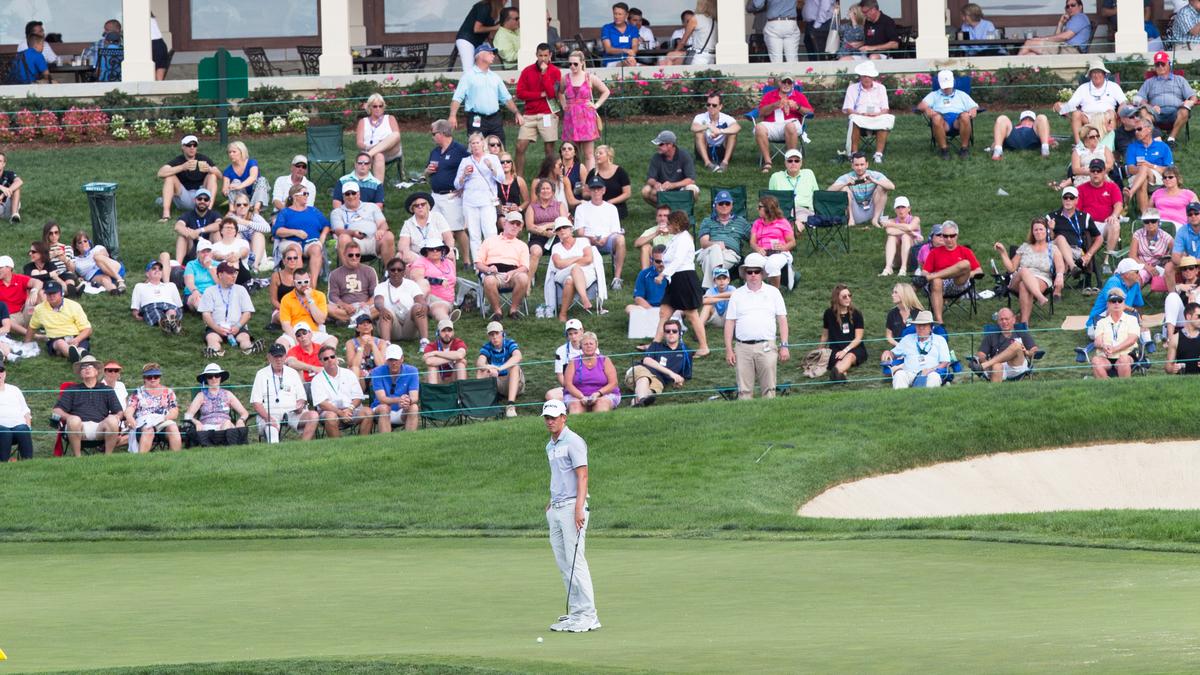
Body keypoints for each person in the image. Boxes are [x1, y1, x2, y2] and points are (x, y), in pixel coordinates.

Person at [541, 397, 601, 633]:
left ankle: (589, 614)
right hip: (556, 508)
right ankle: (576, 612)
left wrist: (578, 508)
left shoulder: (574, 441)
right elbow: (559, 477)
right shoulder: (550, 445)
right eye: (547, 417)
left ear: (564, 417)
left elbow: (583, 476)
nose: (550, 421)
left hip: (572, 508)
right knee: (564, 563)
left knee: (576, 562)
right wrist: (550, 502)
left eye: (554, 417)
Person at [723, 253, 789, 399]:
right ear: (745, 274)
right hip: (742, 347)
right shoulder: (736, 294)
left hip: (767, 345)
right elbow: (729, 323)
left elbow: (782, 320)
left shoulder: (774, 292)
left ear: (762, 273)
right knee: (744, 392)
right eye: (749, 272)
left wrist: (784, 345)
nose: (753, 275)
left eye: (756, 271)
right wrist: (729, 349)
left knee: (770, 389)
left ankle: (771, 419)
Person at [654, 209, 709, 355]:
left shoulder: (684, 238)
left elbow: (678, 260)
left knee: (691, 314)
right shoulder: (676, 237)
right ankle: (655, 345)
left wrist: (662, 275)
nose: (668, 227)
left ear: (676, 224)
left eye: (670, 224)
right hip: (675, 280)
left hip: (684, 278)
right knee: (664, 312)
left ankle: (704, 347)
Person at [995, 217, 1066, 325]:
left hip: (1041, 278)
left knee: (1024, 285)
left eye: (1041, 229)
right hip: (1017, 279)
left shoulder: (1053, 248)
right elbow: (1011, 268)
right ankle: (1039, 297)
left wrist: (1060, 275)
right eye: (1036, 230)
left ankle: (1024, 323)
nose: (1038, 232)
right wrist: (1003, 253)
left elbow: (1060, 265)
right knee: (1024, 271)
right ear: (1032, 232)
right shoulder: (1025, 247)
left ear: (1046, 230)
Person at [449, 44, 524, 145]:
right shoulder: (468, 76)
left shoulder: (495, 77)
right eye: (490, 53)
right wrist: (452, 116)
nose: (493, 55)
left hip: (495, 119)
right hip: (476, 118)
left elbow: (506, 98)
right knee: (476, 150)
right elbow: (457, 98)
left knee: (499, 149)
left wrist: (516, 112)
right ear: (480, 55)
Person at [53, 355, 124, 456]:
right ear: (80, 373)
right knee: (74, 420)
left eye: (90, 366)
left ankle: (108, 458)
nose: (86, 369)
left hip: (100, 428)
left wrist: (116, 417)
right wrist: (70, 418)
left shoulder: (107, 390)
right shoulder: (72, 389)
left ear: (96, 372)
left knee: (112, 420)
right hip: (79, 427)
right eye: (83, 367)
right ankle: (78, 459)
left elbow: (119, 411)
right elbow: (56, 410)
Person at [251, 343, 319, 443]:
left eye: (281, 356)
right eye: (275, 356)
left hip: (292, 412)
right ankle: (276, 456)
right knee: (271, 430)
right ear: (269, 357)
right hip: (270, 413)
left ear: (285, 357)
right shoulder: (261, 374)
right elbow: (256, 403)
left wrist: (300, 405)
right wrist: (268, 418)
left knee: (313, 416)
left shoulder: (292, 373)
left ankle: (301, 448)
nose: (278, 359)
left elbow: (302, 397)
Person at [454, 132, 504, 261]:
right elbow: (457, 185)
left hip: (487, 201)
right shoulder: (465, 161)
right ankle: (478, 263)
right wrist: (464, 175)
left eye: (477, 142)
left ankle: (493, 259)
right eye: (472, 143)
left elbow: (501, 178)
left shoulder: (492, 158)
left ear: (483, 143)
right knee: (474, 234)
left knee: (490, 232)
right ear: (470, 146)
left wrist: (491, 167)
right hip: (470, 202)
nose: (475, 145)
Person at [514, 43, 562, 179]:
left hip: (547, 114)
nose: (543, 58)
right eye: (540, 55)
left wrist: (544, 74)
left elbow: (552, 94)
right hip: (529, 115)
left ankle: (549, 177)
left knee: (549, 149)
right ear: (536, 55)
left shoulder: (555, 71)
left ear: (550, 55)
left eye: (546, 55)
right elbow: (520, 93)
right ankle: (519, 178)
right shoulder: (527, 71)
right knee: (520, 146)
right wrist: (539, 95)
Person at [560, 51, 609, 177]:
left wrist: (596, 105)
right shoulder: (565, 78)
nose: (572, 67)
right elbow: (559, 93)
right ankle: (574, 178)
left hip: (586, 118)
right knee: (572, 152)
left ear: (582, 63)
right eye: (570, 64)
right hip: (571, 118)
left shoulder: (589, 77)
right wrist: (564, 104)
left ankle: (590, 179)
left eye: (575, 64)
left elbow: (606, 91)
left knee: (588, 154)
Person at [476, 212, 533, 320]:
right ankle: (497, 312)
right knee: (489, 281)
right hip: (493, 273)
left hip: (513, 274)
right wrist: (488, 269)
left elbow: (525, 267)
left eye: (518, 224)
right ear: (504, 224)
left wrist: (513, 272)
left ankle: (513, 310)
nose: (515, 226)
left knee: (524, 278)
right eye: (512, 223)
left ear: (521, 228)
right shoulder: (489, 241)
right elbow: (478, 262)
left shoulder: (522, 245)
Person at [923, 220, 981, 324]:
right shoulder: (934, 253)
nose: (949, 239)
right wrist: (935, 277)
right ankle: (939, 322)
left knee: (965, 264)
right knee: (936, 281)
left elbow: (979, 271)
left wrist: (966, 274)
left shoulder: (965, 251)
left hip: (960, 283)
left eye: (952, 236)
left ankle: (938, 276)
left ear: (957, 235)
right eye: (945, 236)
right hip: (940, 285)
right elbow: (924, 273)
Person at [199, 263, 262, 358]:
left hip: (237, 327)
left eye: (234, 273)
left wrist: (237, 326)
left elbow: (247, 313)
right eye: (230, 273)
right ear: (220, 275)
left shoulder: (241, 290)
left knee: (244, 337)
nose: (234, 276)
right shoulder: (209, 291)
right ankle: (215, 351)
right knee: (211, 338)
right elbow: (206, 315)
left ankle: (249, 349)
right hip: (216, 327)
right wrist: (216, 328)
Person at [1055, 62, 1126, 145]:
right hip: (1088, 118)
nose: (1096, 75)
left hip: (1106, 116)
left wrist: (1121, 111)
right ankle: (1079, 145)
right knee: (1076, 114)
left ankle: (1111, 145)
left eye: (1099, 72)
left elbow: (1123, 102)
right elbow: (1071, 104)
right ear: (1090, 75)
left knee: (1110, 113)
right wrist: (1060, 106)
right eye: (1094, 72)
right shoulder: (1083, 88)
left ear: (1104, 74)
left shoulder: (1113, 86)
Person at [626, 317, 692, 407]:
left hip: (660, 381)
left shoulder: (686, 352)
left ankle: (636, 405)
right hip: (642, 370)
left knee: (650, 393)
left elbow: (685, 375)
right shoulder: (656, 345)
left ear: (680, 333)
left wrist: (679, 380)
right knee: (644, 379)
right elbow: (647, 360)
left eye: (674, 331)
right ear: (664, 334)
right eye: (667, 331)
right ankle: (642, 400)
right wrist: (671, 373)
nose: (671, 333)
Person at [311, 344, 374, 438]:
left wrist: (350, 409)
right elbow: (322, 403)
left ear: (336, 358)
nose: (330, 360)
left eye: (332, 357)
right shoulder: (317, 380)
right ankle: (338, 447)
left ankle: (362, 443)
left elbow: (358, 396)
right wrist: (340, 413)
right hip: (331, 412)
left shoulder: (349, 374)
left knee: (368, 412)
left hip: (351, 410)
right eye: (326, 358)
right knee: (330, 417)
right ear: (321, 362)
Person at [754, 75, 813, 172]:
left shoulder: (798, 96)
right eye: (784, 82)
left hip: (792, 125)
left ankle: (791, 160)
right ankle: (768, 162)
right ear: (779, 83)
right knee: (759, 127)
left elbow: (810, 112)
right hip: (772, 125)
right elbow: (761, 113)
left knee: (790, 126)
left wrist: (798, 107)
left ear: (792, 84)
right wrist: (774, 105)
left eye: (789, 82)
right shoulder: (769, 95)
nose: (786, 84)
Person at [575, 175, 626, 287]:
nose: (596, 191)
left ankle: (617, 278)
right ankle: (587, 277)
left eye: (599, 188)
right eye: (593, 188)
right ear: (589, 190)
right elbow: (579, 232)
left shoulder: (611, 208)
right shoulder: (581, 208)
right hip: (588, 241)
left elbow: (616, 230)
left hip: (607, 240)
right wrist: (591, 239)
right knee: (582, 240)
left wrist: (605, 238)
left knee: (621, 239)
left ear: (604, 190)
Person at [1136, 51, 1196, 146]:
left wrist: (1190, 102)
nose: (1160, 66)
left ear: (1169, 64)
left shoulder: (1180, 80)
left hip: (1175, 111)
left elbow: (1193, 96)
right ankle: (1155, 136)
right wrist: (1149, 106)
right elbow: (1139, 99)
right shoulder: (1149, 82)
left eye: (1163, 63)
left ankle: (1171, 139)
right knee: (1143, 111)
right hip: (1156, 113)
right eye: (1157, 64)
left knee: (1185, 111)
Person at [272, 184, 330, 282]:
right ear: (295, 196)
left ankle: (312, 285)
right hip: (290, 242)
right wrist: (296, 232)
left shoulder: (313, 210)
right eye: (304, 193)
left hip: (311, 242)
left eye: (308, 193)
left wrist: (323, 236)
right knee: (296, 249)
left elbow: (326, 225)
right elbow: (277, 230)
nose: (307, 196)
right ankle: (298, 284)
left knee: (316, 249)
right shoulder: (285, 212)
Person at [917, 70, 980, 159]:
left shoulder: (962, 94)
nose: (946, 88)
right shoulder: (934, 95)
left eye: (948, 86)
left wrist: (974, 110)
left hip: (958, 122)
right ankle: (944, 150)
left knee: (965, 116)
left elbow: (974, 106)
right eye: (944, 86)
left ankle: (964, 148)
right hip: (943, 122)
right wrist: (927, 109)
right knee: (936, 118)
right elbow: (920, 106)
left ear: (953, 82)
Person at [157, 135, 220, 222]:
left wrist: (210, 169)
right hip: (184, 196)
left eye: (194, 145)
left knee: (212, 175)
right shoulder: (179, 160)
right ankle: (166, 214)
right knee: (169, 177)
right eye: (189, 145)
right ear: (183, 147)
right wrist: (182, 167)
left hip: (201, 195)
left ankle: (208, 211)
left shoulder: (202, 159)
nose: (192, 148)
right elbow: (160, 173)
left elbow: (220, 175)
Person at [331, 181, 394, 267]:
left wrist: (381, 230)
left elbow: (383, 223)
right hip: (353, 242)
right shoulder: (337, 212)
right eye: (347, 194)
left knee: (388, 235)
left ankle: (390, 272)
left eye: (353, 193)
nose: (351, 196)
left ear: (359, 194)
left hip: (374, 240)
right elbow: (338, 231)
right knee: (343, 237)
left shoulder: (372, 206)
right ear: (343, 196)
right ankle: (348, 273)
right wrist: (353, 233)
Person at [696, 190, 752, 287]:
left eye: (727, 203)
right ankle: (714, 289)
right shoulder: (707, 221)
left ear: (732, 205)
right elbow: (704, 243)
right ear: (715, 205)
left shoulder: (741, 222)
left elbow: (753, 238)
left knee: (709, 259)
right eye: (721, 203)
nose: (724, 206)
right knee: (715, 249)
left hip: (730, 255)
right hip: (708, 251)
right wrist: (716, 244)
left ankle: (709, 289)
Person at [123, 363, 183, 453]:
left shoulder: (168, 392)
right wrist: (129, 417)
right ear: (144, 378)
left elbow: (174, 411)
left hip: (163, 420)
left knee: (173, 428)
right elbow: (130, 409)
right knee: (148, 430)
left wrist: (164, 418)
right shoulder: (138, 392)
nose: (153, 379)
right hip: (144, 421)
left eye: (156, 376)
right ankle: (141, 461)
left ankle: (177, 459)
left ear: (160, 377)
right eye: (149, 377)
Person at [969, 308, 1040, 383]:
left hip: (1016, 366)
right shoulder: (991, 336)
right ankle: (994, 392)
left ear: (1013, 320)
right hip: (997, 366)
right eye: (1001, 319)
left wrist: (1028, 353)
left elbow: (1034, 349)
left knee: (1016, 345)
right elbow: (981, 354)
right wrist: (984, 361)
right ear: (998, 321)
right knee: (996, 366)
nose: (1004, 321)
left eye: (1006, 319)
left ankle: (983, 366)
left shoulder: (1022, 333)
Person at [1047, 185, 1103, 278]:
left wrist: (1088, 255)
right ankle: (1073, 267)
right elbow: (1048, 239)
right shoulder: (1052, 217)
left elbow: (1099, 238)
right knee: (1060, 239)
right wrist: (1051, 229)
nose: (1068, 200)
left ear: (1076, 200)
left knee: (1062, 257)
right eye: (1065, 197)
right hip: (1054, 248)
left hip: (1075, 251)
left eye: (1071, 198)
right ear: (1062, 199)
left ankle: (1056, 288)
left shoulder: (1084, 217)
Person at [841, 61, 893, 162]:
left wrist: (876, 114)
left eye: (869, 76)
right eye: (864, 76)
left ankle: (878, 155)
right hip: (860, 117)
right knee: (854, 120)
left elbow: (885, 109)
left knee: (886, 119)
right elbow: (849, 109)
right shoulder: (852, 89)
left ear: (873, 77)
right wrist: (861, 114)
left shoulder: (881, 88)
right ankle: (854, 154)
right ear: (860, 76)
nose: (867, 78)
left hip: (877, 117)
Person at [550, 218, 599, 320]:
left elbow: (588, 259)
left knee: (570, 280)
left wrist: (567, 262)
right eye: (559, 229)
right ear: (556, 233)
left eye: (564, 227)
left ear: (571, 229)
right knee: (575, 268)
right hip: (562, 274)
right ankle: (584, 298)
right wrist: (576, 258)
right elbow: (558, 264)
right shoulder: (556, 247)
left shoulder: (583, 241)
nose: (562, 230)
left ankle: (563, 314)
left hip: (586, 274)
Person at [829, 152, 895, 227]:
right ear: (852, 166)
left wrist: (874, 181)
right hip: (855, 211)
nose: (859, 168)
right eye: (856, 165)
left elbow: (892, 186)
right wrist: (846, 184)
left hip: (873, 209)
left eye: (862, 164)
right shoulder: (847, 177)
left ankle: (875, 220)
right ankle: (851, 220)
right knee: (844, 189)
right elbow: (829, 191)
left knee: (882, 187)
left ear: (867, 164)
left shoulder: (874, 175)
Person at [30, 280, 91, 361]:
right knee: (60, 343)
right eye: (48, 294)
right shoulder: (39, 309)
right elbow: (32, 327)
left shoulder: (74, 305)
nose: (51, 296)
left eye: (54, 293)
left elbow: (88, 329)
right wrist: (27, 343)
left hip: (76, 336)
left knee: (80, 347)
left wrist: (77, 339)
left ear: (61, 293)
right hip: (55, 339)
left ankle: (78, 354)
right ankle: (79, 357)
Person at [1076, 158, 1125, 257]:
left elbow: (1118, 205)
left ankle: (1107, 261)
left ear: (1104, 172)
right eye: (1093, 171)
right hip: (1088, 226)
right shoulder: (1080, 189)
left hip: (1105, 224)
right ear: (1089, 172)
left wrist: (1114, 215)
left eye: (1098, 171)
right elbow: (1076, 210)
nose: (1095, 173)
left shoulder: (1112, 187)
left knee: (1115, 224)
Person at [277, 270, 337, 351]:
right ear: (293, 282)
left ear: (310, 280)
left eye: (306, 281)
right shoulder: (286, 298)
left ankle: (325, 361)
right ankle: (290, 362)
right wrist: (297, 340)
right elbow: (285, 325)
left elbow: (320, 320)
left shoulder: (319, 295)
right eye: (299, 282)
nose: (303, 285)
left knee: (332, 340)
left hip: (313, 332)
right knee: (281, 342)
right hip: (294, 333)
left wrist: (310, 299)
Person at [375, 258, 430, 344]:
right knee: (385, 311)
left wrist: (424, 307)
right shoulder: (381, 286)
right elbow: (378, 301)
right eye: (393, 270)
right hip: (392, 327)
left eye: (399, 270)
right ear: (388, 271)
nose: (396, 272)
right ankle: (386, 344)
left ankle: (424, 342)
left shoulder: (412, 284)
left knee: (418, 307)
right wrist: (381, 308)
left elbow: (420, 300)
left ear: (404, 272)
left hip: (409, 327)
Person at [890, 310, 950, 389]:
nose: (921, 328)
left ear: (931, 327)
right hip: (910, 373)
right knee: (899, 375)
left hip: (931, 372)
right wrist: (888, 353)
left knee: (934, 376)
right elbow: (893, 353)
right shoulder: (907, 339)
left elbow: (945, 362)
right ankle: (901, 400)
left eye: (924, 325)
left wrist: (931, 370)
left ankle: (929, 400)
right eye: (918, 325)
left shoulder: (940, 340)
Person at [1125, 118, 1175, 213]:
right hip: (1137, 178)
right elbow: (1130, 169)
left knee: (1144, 167)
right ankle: (1145, 214)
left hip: (1158, 177)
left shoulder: (1162, 146)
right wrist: (1143, 170)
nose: (1136, 132)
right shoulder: (1132, 147)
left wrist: (1150, 166)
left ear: (1149, 129)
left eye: (1139, 129)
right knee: (1143, 179)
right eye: (1134, 130)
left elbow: (1169, 170)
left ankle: (1131, 193)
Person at [564, 331, 620, 413]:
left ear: (596, 345)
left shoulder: (605, 360)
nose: (588, 346)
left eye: (591, 343)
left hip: (604, 394)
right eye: (585, 344)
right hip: (577, 396)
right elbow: (568, 384)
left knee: (601, 404)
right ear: (581, 346)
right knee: (575, 406)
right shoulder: (573, 361)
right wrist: (581, 397)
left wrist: (598, 394)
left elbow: (613, 383)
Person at [1085, 258, 1146, 334]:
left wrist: (1140, 323)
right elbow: (1114, 306)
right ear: (1127, 274)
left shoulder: (1135, 284)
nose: (1139, 274)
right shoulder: (1113, 282)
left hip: (1120, 321)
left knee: (1138, 332)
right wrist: (1133, 310)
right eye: (1137, 272)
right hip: (1097, 323)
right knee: (1130, 334)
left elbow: (1138, 306)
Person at [477, 320, 524, 418]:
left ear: (503, 334)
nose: (494, 337)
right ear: (488, 336)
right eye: (491, 334)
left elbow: (518, 356)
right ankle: (483, 403)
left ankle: (511, 405)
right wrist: (489, 367)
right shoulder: (487, 346)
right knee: (481, 371)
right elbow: (479, 363)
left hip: (513, 382)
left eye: (497, 333)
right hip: (497, 382)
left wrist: (499, 368)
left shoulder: (509, 343)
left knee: (515, 366)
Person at [821, 284, 867, 381]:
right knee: (839, 360)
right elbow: (825, 335)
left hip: (854, 348)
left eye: (849, 295)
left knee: (849, 357)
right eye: (844, 296)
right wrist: (819, 351)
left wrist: (845, 351)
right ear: (837, 298)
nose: (848, 299)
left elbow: (858, 338)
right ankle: (840, 375)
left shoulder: (856, 313)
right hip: (836, 349)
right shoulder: (828, 313)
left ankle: (835, 374)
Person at [328, 240, 379, 327]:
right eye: (351, 255)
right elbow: (332, 296)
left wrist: (366, 304)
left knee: (382, 305)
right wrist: (345, 306)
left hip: (365, 306)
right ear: (344, 255)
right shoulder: (334, 274)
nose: (354, 257)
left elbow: (376, 294)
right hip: (345, 309)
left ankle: (349, 320)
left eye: (357, 255)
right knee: (326, 308)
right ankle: (363, 320)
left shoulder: (369, 271)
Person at [641, 130, 699, 206]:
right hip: (663, 191)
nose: (658, 147)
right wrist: (655, 184)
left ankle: (682, 208)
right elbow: (650, 179)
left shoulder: (684, 156)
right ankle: (664, 209)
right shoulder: (656, 157)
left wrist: (672, 185)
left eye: (661, 144)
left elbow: (691, 180)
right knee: (645, 191)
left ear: (670, 145)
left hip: (680, 190)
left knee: (693, 189)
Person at [1090, 288, 1140, 378]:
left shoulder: (1132, 319)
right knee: (1095, 360)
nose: (1117, 303)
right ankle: (1107, 388)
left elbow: (1132, 340)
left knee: (1123, 360)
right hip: (1105, 356)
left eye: (1119, 301)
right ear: (1108, 304)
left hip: (1126, 354)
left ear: (1124, 303)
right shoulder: (1101, 322)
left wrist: (1115, 349)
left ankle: (1124, 388)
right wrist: (1103, 346)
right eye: (1113, 301)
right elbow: (1097, 341)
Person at [749, 196, 797, 289]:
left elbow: (792, 242)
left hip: (779, 253)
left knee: (772, 264)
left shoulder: (783, 222)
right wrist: (757, 248)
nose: (757, 209)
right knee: (750, 261)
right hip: (763, 252)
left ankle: (775, 292)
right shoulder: (757, 223)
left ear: (768, 209)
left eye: (759, 207)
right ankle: (756, 290)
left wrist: (783, 247)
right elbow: (752, 242)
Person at [370, 344, 420, 432]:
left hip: (402, 410)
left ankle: (410, 440)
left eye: (396, 359)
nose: (393, 363)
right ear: (386, 360)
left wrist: (408, 401)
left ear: (402, 359)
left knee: (414, 407)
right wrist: (399, 400)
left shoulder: (412, 371)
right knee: (384, 408)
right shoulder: (376, 372)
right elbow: (382, 399)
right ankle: (386, 443)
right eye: (390, 360)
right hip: (381, 409)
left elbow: (415, 397)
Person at [527, 179, 569, 279]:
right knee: (535, 251)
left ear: (553, 192)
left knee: (561, 252)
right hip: (538, 237)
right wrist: (544, 233)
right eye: (542, 189)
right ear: (538, 192)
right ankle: (527, 282)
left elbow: (564, 221)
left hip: (558, 236)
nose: (545, 191)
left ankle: (562, 278)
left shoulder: (560, 205)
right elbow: (529, 227)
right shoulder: (532, 207)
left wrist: (545, 226)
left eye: (548, 188)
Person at [356, 93, 403, 183]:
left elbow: (397, 138)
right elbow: (359, 143)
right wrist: (369, 147)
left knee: (395, 135)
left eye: (380, 106)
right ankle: (378, 190)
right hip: (370, 150)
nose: (378, 108)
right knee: (378, 155)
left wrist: (381, 144)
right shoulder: (363, 121)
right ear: (369, 107)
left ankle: (367, 156)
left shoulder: (390, 118)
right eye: (375, 106)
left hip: (390, 150)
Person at [1052, 123, 1114, 189]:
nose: (1096, 139)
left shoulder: (1104, 148)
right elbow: (1075, 170)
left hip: (1102, 175)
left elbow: (1110, 164)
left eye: (1097, 136)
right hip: (1084, 177)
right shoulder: (1078, 151)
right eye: (1092, 137)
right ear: (1085, 138)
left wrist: (1097, 169)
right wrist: (1090, 171)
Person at [691, 92, 740, 173]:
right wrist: (708, 126)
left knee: (733, 134)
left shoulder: (726, 118)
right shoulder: (700, 117)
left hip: (722, 149)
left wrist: (720, 131)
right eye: (708, 104)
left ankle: (725, 163)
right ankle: (708, 163)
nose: (710, 107)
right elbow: (693, 127)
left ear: (720, 107)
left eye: (714, 105)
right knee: (698, 133)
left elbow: (737, 127)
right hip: (705, 149)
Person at [1019, 0, 1091, 54]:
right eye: (1067, 6)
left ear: (1080, 7)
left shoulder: (1080, 17)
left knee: (1029, 43)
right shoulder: (1073, 20)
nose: (1070, 8)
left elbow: (1065, 37)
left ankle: (1010, 71)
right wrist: (1061, 23)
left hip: (1071, 51)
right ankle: (1017, 73)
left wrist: (1042, 39)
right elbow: (1058, 37)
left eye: (1073, 5)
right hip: (1065, 49)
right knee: (1031, 55)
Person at [171, 187, 221, 266]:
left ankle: (216, 264)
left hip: (209, 249)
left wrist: (200, 230)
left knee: (216, 232)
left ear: (209, 202)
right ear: (195, 200)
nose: (202, 201)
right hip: (193, 248)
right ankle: (178, 266)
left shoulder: (214, 214)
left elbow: (220, 224)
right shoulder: (188, 214)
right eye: (199, 199)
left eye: (206, 199)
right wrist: (190, 233)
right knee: (182, 237)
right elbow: (178, 226)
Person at [131, 260, 183, 334]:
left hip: (169, 305)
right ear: (147, 273)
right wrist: (136, 314)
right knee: (156, 314)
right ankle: (166, 324)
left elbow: (178, 305)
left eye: (160, 269)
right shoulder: (140, 286)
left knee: (172, 311)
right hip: (151, 306)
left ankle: (172, 322)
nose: (157, 270)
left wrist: (177, 310)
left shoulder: (171, 285)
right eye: (154, 268)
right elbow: (135, 306)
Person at [220, 141, 270, 214]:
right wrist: (226, 190)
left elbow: (253, 178)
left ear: (242, 152)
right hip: (241, 198)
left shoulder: (251, 163)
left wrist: (239, 186)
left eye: (234, 152)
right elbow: (224, 189)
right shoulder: (227, 171)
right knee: (235, 182)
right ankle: (232, 210)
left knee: (261, 180)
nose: (231, 154)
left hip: (256, 194)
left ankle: (256, 210)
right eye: (229, 152)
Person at [663, 0, 717, 66]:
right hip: (712, 56)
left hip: (699, 56)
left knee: (670, 56)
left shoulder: (696, 19)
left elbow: (683, 42)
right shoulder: (715, 20)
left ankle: (667, 75)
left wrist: (675, 51)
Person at [880, 282, 923, 363]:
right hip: (898, 348)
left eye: (896, 292)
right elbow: (888, 336)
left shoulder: (918, 313)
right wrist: (899, 346)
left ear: (904, 294)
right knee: (885, 356)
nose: (892, 295)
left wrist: (908, 349)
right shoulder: (892, 313)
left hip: (916, 348)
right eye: (893, 292)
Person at [456, 0, 504, 71]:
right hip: (466, 40)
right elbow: (477, 29)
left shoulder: (490, 9)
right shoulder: (484, 7)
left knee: (484, 68)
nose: (506, 2)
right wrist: (494, 27)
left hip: (477, 42)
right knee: (468, 69)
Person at [0, 254, 41, 339]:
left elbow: (38, 282)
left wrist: (34, 291)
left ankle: (50, 323)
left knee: (40, 294)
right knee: (7, 321)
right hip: (9, 318)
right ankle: (35, 336)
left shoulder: (19, 278)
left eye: (0, 268)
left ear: (9, 268)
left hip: (25, 312)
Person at [878, 196, 920, 277]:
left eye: (903, 207)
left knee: (905, 236)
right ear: (895, 210)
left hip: (912, 258)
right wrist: (910, 232)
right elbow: (889, 231)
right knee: (892, 237)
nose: (901, 210)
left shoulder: (915, 219)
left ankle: (903, 268)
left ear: (909, 209)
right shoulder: (891, 220)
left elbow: (910, 227)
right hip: (897, 258)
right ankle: (888, 267)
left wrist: (891, 225)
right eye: (898, 207)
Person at [0, 364, 32, 462]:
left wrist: (29, 426)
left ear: (5, 374)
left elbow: (25, 411)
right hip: (1, 428)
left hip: (18, 426)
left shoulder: (14, 389)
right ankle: (3, 464)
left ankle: (29, 464)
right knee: (5, 433)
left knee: (23, 429)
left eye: (1, 371)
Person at [1164, 257, 1200, 343]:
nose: (1188, 271)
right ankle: (1170, 338)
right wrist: (1179, 287)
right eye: (1184, 269)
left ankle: (1196, 333)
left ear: (1197, 270)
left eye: (1191, 268)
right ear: (1182, 272)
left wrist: (1194, 292)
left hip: (1198, 315)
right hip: (1183, 318)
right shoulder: (1181, 286)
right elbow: (1170, 303)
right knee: (1172, 295)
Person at [267, 242, 303, 328]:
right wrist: (286, 309)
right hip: (281, 309)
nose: (292, 260)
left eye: (295, 258)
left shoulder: (303, 276)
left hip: (299, 308)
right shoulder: (276, 276)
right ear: (284, 261)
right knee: (281, 317)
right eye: (289, 258)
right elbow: (273, 300)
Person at [423, 318, 468, 384]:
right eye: (443, 331)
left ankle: (461, 391)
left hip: (453, 377)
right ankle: (434, 393)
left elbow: (460, 355)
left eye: (449, 331)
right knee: (432, 368)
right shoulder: (431, 346)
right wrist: (453, 358)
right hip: (438, 378)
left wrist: (436, 353)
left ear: (453, 332)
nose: (447, 333)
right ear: (438, 332)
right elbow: (429, 361)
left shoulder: (458, 342)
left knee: (460, 364)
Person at [210, 217, 252, 286]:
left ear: (235, 231)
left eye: (232, 228)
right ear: (221, 231)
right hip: (222, 274)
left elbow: (245, 251)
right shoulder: (214, 246)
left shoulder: (243, 242)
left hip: (241, 274)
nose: (229, 229)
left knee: (234, 261)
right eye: (227, 227)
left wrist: (236, 256)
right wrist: (225, 257)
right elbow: (215, 254)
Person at [626, 245, 668, 315]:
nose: (661, 264)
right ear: (652, 260)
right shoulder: (644, 274)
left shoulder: (675, 273)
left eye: (664, 261)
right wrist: (652, 310)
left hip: (669, 309)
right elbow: (638, 298)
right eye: (658, 261)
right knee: (629, 308)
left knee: (682, 309)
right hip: (649, 308)